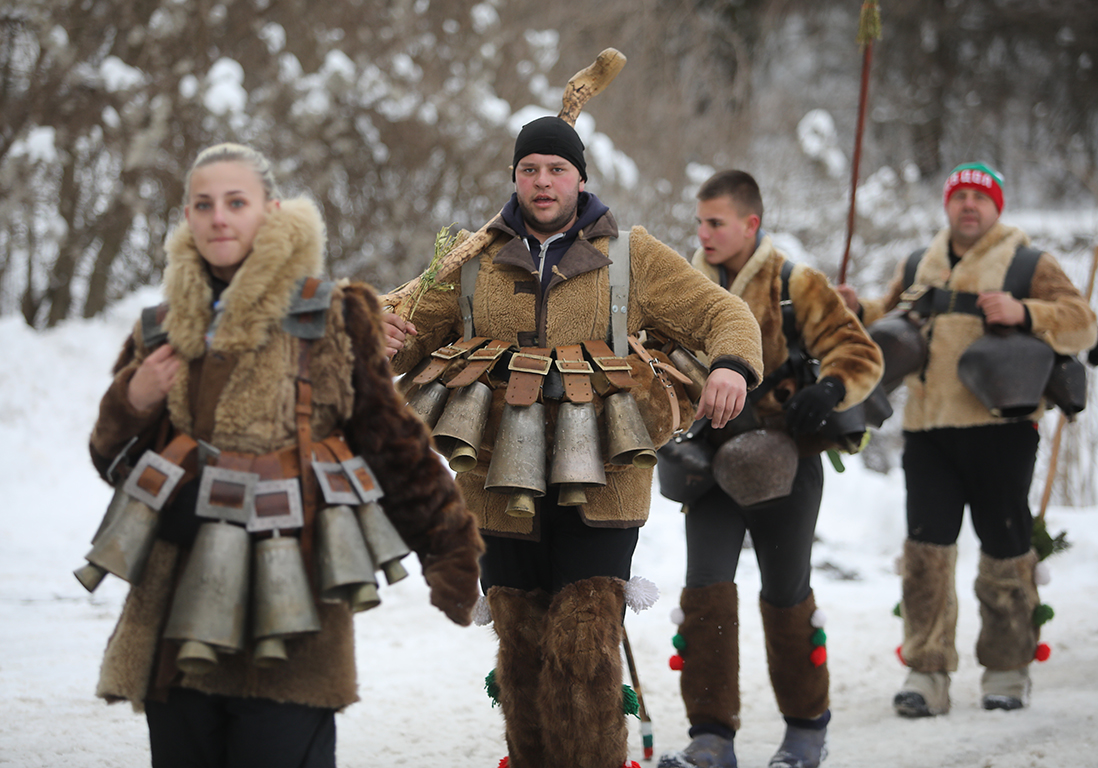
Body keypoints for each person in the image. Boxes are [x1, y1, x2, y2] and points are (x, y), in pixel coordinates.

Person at [382, 116, 764, 768]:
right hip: (499, 488)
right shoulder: (471, 259)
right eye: (529, 168)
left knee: (583, 647)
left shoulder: (633, 256)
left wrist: (732, 363)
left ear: (581, 177)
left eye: (557, 168)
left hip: (604, 487)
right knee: (523, 653)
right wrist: (367, 330)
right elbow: (399, 318)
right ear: (514, 177)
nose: (542, 181)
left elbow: (722, 313)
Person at [87, 143, 483, 767]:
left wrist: (447, 545)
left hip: (294, 608)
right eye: (204, 204)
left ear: (269, 212)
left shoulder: (333, 317)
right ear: (188, 217)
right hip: (178, 605)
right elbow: (111, 458)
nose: (219, 218)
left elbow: (392, 442)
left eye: (236, 202)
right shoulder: (162, 327)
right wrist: (131, 400)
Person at [839, 161, 1097, 718]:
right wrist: (857, 310)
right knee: (925, 554)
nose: (969, 206)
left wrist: (1027, 311)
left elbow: (1083, 322)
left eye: (981, 197)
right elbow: (886, 319)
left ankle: (1006, 668)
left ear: (997, 207)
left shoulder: (1029, 262)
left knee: (1005, 550)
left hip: (1003, 430)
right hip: (929, 431)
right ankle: (926, 671)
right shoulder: (919, 263)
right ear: (947, 205)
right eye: (960, 197)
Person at [656, 171, 883, 768]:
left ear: (751, 224)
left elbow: (859, 350)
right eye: (700, 221)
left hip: (787, 462)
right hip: (709, 465)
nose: (703, 234)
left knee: (787, 596)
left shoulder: (795, 283)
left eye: (716, 223)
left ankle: (807, 730)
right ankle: (710, 738)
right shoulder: (683, 285)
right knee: (704, 593)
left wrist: (831, 388)